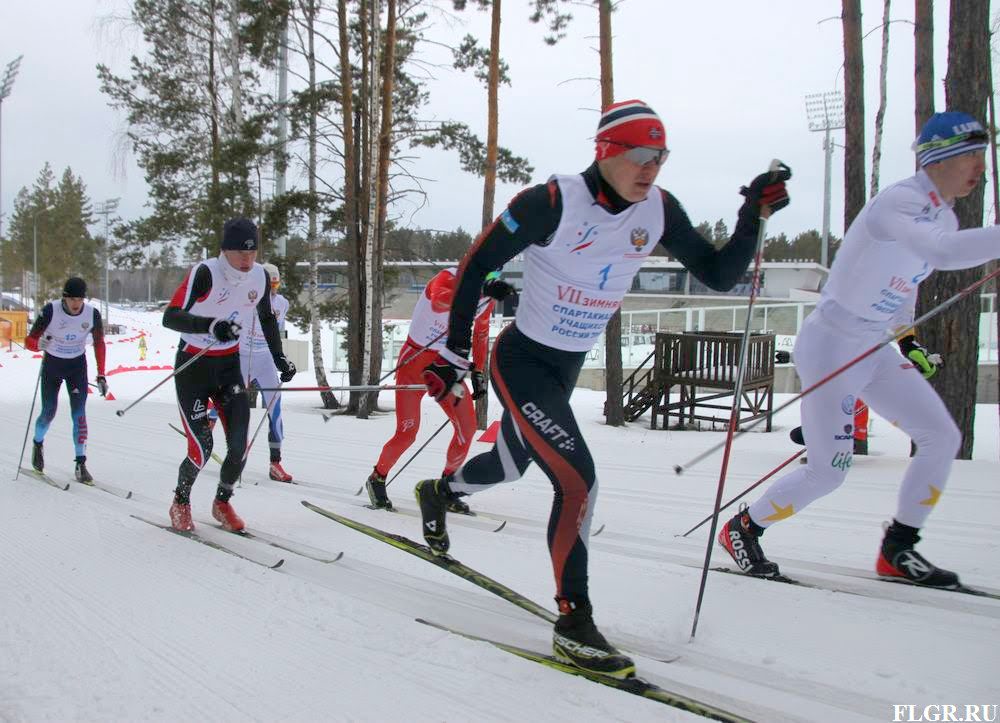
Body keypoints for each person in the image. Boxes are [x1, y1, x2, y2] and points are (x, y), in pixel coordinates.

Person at [413, 99, 790, 679]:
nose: (651, 169)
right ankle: (574, 622)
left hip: (565, 369)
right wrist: (455, 352)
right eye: (640, 155)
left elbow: (719, 275)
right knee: (577, 481)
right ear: (606, 151)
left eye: (660, 157)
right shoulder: (551, 203)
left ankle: (438, 492)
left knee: (511, 466)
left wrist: (751, 216)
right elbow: (474, 266)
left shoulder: (659, 209)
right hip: (523, 361)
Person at [718, 111, 994, 590]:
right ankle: (744, 528)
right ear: (937, 160)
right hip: (831, 344)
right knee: (829, 471)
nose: (979, 167)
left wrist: (906, 338)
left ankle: (898, 548)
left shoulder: (944, 216)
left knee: (940, 436)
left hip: (873, 346)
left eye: (982, 156)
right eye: (970, 156)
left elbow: (906, 280)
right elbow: (944, 253)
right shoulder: (900, 202)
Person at [162, 218, 296, 532]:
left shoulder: (260, 276)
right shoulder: (206, 272)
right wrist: (210, 326)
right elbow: (171, 317)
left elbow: (266, 318)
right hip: (194, 365)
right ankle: (180, 501)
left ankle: (222, 502)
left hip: (228, 366)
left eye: (252, 252)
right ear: (225, 250)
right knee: (202, 447)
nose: (247, 259)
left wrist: (279, 358)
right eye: (240, 253)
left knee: (239, 445)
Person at [364, 268, 513, 511]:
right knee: (407, 433)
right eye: (485, 276)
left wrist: (478, 371)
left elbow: (481, 332)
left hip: (446, 367)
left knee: (467, 428)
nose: (489, 282)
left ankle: (445, 489)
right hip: (414, 362)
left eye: (493, 278)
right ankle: (377, 478)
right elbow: (439, 302)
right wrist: (478, 291)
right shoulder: (447, 277)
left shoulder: (486, 298)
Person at [24, 277, 108, 483]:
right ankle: (37, 444)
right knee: (48, 412)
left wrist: (101, 374)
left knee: (79, 415)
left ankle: (81, 463)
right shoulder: (50, 310)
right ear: (64, 298)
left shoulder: (92, 314)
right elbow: (29, 341)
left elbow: (99, 343)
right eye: (72, 299)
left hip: (76, 366)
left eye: (80, 299)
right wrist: (38, 344)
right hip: (53, 365)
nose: (76, 304)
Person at [240, 262, 296, 482]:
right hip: (243, 356)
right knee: (227, 401)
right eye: (269, 285)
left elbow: (277, 333)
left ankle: (275, 463)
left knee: (275, 409)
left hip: (265, 360)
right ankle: (208, 431)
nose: (272, 290)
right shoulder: (248, 298)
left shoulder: (283, 303)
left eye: (276, 285)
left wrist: (282, 360)